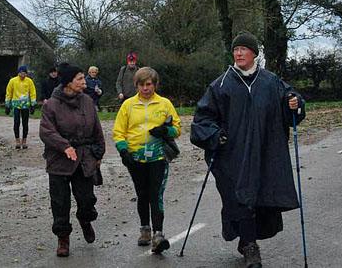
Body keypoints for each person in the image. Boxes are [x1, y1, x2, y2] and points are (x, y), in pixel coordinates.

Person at [190, 32, 305, 268]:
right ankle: (251, 247)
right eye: (235, 50)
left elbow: (291, 103)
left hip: (265, 153)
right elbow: (202, 120)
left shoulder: (271, 81)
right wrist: (215, 135)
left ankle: (246, 240)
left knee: (259, 199)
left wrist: (295, 103)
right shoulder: (220, 85)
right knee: (239, 199)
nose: (239, 53)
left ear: (254, 53)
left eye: (243, 49)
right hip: (232, 156)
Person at [39, 62, 105, 257]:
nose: (84, 81)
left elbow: (97, 130)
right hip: (59, 160)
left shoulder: (87, 102)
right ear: (68, 82)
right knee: (60, 202)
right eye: (80, 78)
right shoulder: (51, 105)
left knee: (86, 199)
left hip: (84, 158)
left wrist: (98, 153)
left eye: (84, 77)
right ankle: (63, 238)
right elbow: (46, 131)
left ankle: (85, 220)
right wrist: (64, 146)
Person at [112, 67, 181, 254]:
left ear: (155, 84)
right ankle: (145, 230)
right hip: (135, 157)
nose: (145, 88)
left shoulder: (164, 104)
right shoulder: (128, 105)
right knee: (142, 194)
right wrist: (123, 151)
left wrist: (165, 131)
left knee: (155, 194)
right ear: (136, 85)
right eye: (141, 85)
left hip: (158, 157)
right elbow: (118, 132)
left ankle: (158, 234)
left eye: (148, 84)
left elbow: (177, 127)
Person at [5, 65, 37, 149]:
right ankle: (17, 140)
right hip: (16, 105)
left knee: (25, 124)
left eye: (24, 73)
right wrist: (7, 105)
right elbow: (9, 92)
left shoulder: (29, 81)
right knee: (16, 123)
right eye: (21, 73)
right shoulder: (13, 81)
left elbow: (32, 92)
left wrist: (33, 104)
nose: (23, 75)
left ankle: (24, 140)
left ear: (26, 74)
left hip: (25, 105)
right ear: (18, 73)